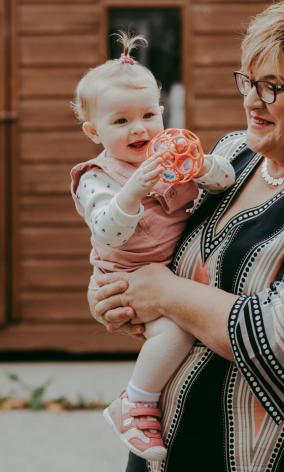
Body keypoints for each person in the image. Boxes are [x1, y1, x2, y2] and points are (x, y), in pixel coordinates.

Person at [91, 0, 284, 472]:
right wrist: (117, 292)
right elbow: (161, 244)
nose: (252, 100)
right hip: (171, 445)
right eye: (248, 80)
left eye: (273, 87)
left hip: (282, 453)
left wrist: (167, 293)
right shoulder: (234, 154)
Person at [70, 32, 236, 461]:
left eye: (147, 114)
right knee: (175, 333)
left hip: (165, 271)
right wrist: (131, 194)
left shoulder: (170, 160)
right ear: (94, 131)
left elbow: (225, 183)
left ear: (162, 112)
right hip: (123, 277)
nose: (139, 128)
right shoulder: (97, 177)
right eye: (121, 121)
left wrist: (202, 165)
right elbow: (107, 232)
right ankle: (136, 404)